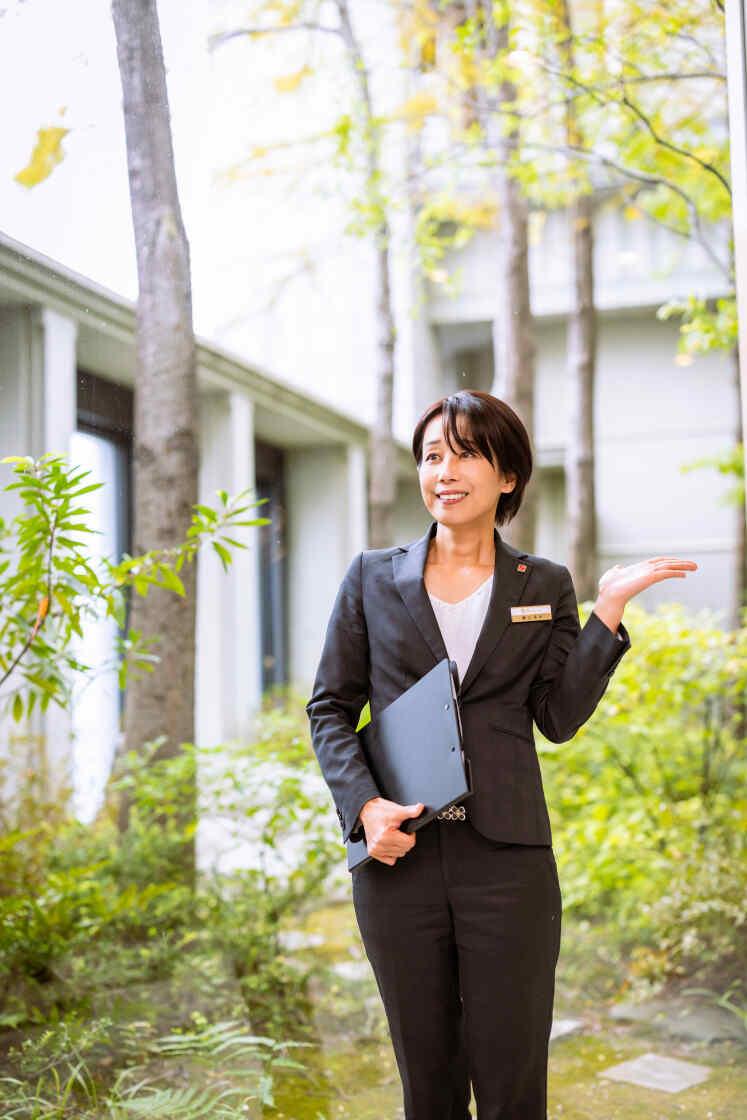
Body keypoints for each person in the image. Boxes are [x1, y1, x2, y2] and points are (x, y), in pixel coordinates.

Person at [305, 390, 698, 1120]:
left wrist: (604, 616)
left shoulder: (542, 584)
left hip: (508, 863)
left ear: (506, 475)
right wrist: (363, 807)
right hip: (400, 862)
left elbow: (556, 717)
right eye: (430, 456)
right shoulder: (369, 577)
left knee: (514, 1080)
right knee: (428, 1083)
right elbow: (329, 706)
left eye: (464, 453)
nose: (442, 471)